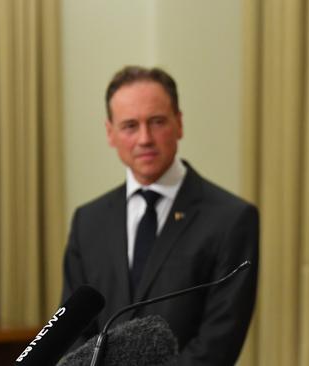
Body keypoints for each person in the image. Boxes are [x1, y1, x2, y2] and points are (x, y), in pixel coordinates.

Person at [61, 66, 259, 365]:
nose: (145, 138)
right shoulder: (88, 221)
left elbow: (219, 342)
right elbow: (71, 331)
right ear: (110, 133)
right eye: (130, 125)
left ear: (179, 123)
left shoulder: (231, 219)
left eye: (156, 122)